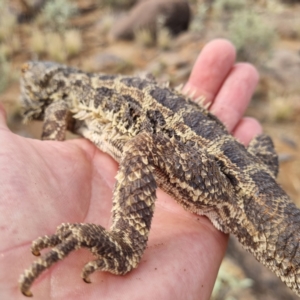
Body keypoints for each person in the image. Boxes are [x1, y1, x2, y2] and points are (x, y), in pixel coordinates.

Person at [0, 39, 261, 299]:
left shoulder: (60, 103)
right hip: (228, 172)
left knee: (142, 145)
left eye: (26, 73)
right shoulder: (86, 86)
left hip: (220, 179)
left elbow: (54, 124)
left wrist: (49, 152)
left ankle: (125, 245)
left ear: (46, 81)